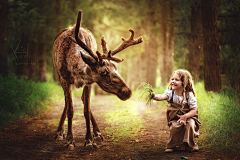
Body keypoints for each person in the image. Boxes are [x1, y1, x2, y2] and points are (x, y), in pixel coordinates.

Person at [151, 69, 201, 153]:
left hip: (189, 117)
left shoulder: (189, 95)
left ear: (184, 83)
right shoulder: (171, 93)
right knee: (175, 126)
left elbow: (193, 111)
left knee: (190, 125)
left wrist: (185, 116)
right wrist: (155, 96)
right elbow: (162, 96)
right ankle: (172, 145)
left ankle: (190, 145)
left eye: (177, 80)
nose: (173, 81)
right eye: (172, 79)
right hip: (176, 117)